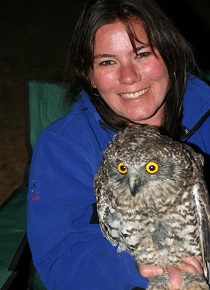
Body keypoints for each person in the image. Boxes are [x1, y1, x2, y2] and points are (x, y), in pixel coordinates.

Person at [27, 0, 210, 289]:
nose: (129, 76)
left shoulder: (206, 111)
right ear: (90, 75)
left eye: (142, 54)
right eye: (108, 61)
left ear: (171, 57)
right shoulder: (64, 147)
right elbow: (59, 260)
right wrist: (136, 267)